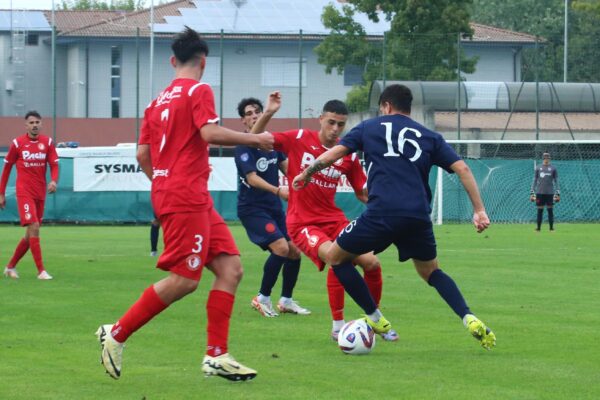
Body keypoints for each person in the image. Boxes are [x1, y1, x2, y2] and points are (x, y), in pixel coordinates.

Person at [95, 27, 273, 382]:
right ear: (203, 62)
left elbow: (142, 153)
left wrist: (163, 180)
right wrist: (256, 138)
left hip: (183, 194)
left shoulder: (155, 102)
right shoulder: (199, 89)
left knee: (231, 269)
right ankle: (116, 334)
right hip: (185, 196)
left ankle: (216, 356)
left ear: (173, 60)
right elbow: (209, 134)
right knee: (185, 280)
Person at [292, 84, 496, 350]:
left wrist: (307, 172)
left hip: (382, 214)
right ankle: (467, 316)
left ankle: (375, 318)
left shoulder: (369, 127)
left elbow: (335, 153)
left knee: (335, 258)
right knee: (431, 272)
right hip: (418, 216)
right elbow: (463, 168)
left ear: (386, 106)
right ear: (408, 108)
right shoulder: (429, 136)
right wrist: (479, 210)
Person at [251, 93, 398, 342]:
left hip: (334, 219)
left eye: (340, 124)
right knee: (336, 257)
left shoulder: (347, 154)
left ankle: (370, 324)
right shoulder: (298, 138)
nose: (335, 129)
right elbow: (255, 140)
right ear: (320, 119)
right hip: (302, 222)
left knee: (371, 263)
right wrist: (268, 112)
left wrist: (389, 207)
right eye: (331, 122)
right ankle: (345, 324)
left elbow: (362, 193)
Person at [234, 97, 309, 317]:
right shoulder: (243, 145)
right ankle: (262, 298)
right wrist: (278, 191)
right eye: (249, 113)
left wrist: (307, 178)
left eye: (257, 111)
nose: (254, 115)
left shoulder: (272, 144)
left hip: (273, 208)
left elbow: (290, 171)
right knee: (281, 248)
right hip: (252, 208)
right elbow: (252, 178)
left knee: (294, 251)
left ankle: (285, 301)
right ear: (243, 120)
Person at [0, 110, 58, 280]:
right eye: (31, 123)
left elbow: (54, 165)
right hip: (24, 192)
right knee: (34, 226)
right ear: (26, 125)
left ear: (41, 124)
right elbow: (7, 169)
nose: (34, 125)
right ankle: (41, 271)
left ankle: (10, 267)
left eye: (37, 122)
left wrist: (53, 180)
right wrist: (1, 193)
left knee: (30, 233)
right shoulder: (17, 144)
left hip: (40, 193)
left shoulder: (47, 142)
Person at [530, 152, 560, 231]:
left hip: (550, 193)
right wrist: (532, 192)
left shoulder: (553, 168)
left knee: (550, 210)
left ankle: (551, 228)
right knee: (540, 210)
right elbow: (535, 180)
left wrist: (558, 192)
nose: (546, 159)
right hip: (540, 193)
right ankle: (538, 228)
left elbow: (556, 180)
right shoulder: (538, 168)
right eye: (545, 157)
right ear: (543, 158)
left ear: (549, 158)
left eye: (548, 157)